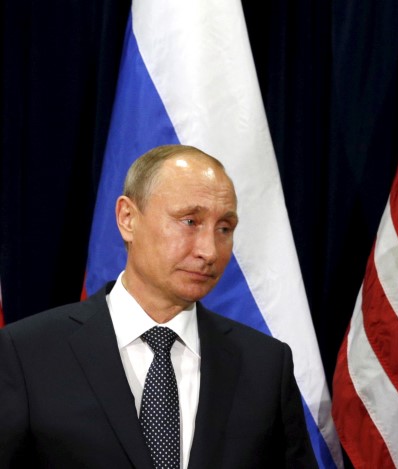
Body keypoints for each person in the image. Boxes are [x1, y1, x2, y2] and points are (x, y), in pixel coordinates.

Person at [0, 145, 317, 468]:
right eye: (190, 221)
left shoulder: (265, 365)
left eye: (224, 228)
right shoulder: (25, 354)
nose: (209, 251)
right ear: (127, 219)